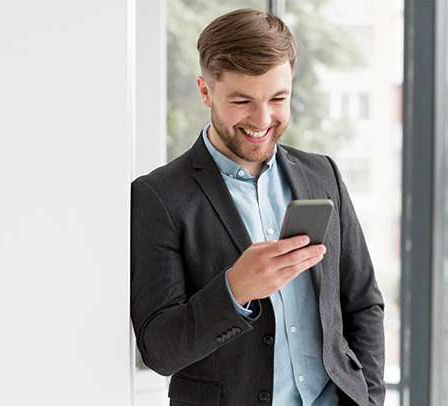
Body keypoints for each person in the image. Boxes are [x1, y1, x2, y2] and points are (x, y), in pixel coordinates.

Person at [131, 8, 385, 406]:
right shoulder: (158, 196)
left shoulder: (324, 175)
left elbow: (363, 303)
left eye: (278, 98)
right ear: (205, 91)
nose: (263, 119)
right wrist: (235, 289)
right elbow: (158, 350)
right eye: (242, 100)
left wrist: (369, 398)